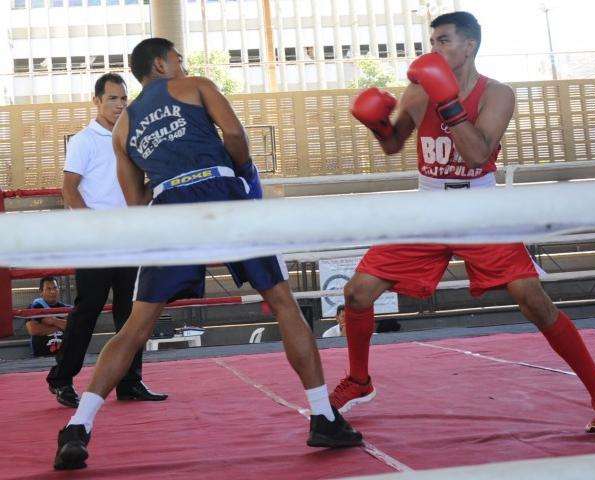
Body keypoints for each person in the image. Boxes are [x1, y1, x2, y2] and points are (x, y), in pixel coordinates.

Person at [53, 38, 362, 471]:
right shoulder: (195, 86)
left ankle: (79, 425)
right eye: (177, 57)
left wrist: (172, 179)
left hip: (169, 205)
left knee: (136, 324)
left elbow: (135, 199)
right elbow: (235, 135)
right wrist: (239, 174)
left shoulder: (123, 129)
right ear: (160, 63)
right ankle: (322, 416)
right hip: (223, 194)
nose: (183, 63)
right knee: (281, 302)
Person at [330, 11, 595, 435]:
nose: (434, 49)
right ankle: (359, 380)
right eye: (432, 42)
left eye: (444, 41)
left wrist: (447, 101)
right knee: (357, 293)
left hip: (481, 207)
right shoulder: (417, 92)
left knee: (533, 299)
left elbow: (476, 154)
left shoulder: (498, 94)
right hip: (429, 205)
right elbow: (394, 145)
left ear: (469, 46)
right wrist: (377, 123)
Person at [46, 73, 167, 409]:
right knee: (88, 309)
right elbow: (69, 189)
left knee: (132, 314)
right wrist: (91, 229)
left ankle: (130, 382)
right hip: (96, 242)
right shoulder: (84, 141)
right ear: (96, 100)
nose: (119, 105)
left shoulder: (131, 138)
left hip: (130, 238)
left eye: (123, 98)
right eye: (112, 98)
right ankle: (61, 379)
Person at [25, 276, 67, 357]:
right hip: (41, 357)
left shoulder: (66, 308)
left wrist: (53, 321)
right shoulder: (33, 307)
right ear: (41, 291)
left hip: (64, 356)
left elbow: (74, 325)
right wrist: (61, 325)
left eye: (55, 288)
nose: (53, 291)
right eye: (48, 289)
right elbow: (33, 329)